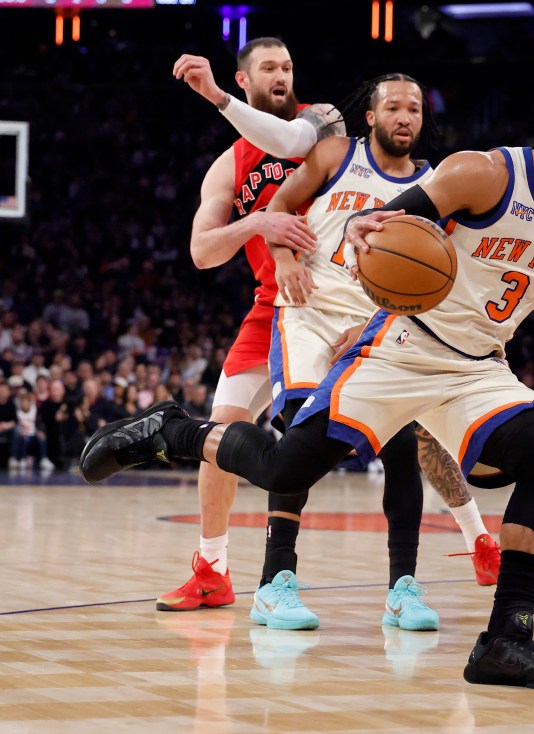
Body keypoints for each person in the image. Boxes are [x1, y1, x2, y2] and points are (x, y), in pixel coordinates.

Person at [82, 66, 534, 691]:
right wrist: (367, 241)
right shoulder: (484, 173)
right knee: (287, 468)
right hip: (399, 346)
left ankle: (506, 640)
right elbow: (381, 225)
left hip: (477, 368)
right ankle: (171, 431)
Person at [170, 57, 500, 624]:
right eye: (393, 106)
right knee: (291, 441)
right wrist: (282, 259)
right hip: (305, 312)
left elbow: (445, 274)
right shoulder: (327, 151)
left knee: (401, 444)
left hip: (377, 327)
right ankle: (267, 579)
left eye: (414, 108)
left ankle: (405, 588)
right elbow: (271, 212)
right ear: (370, 114)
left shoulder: (426, 176)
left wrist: (387, 320)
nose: (404, 115)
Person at [157, 38, 336, 615]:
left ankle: (474, 535)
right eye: (269, 68)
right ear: (245, 80)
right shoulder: (229, 165)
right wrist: (256, 221)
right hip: (272, 309)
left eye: (288, 65)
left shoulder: (321, 125)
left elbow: (289, 141)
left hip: (343, 302)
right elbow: (202, 252)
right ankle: (212, 569)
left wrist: (210, 97)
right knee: (221, 435)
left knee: (416, 426)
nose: (282, 75)